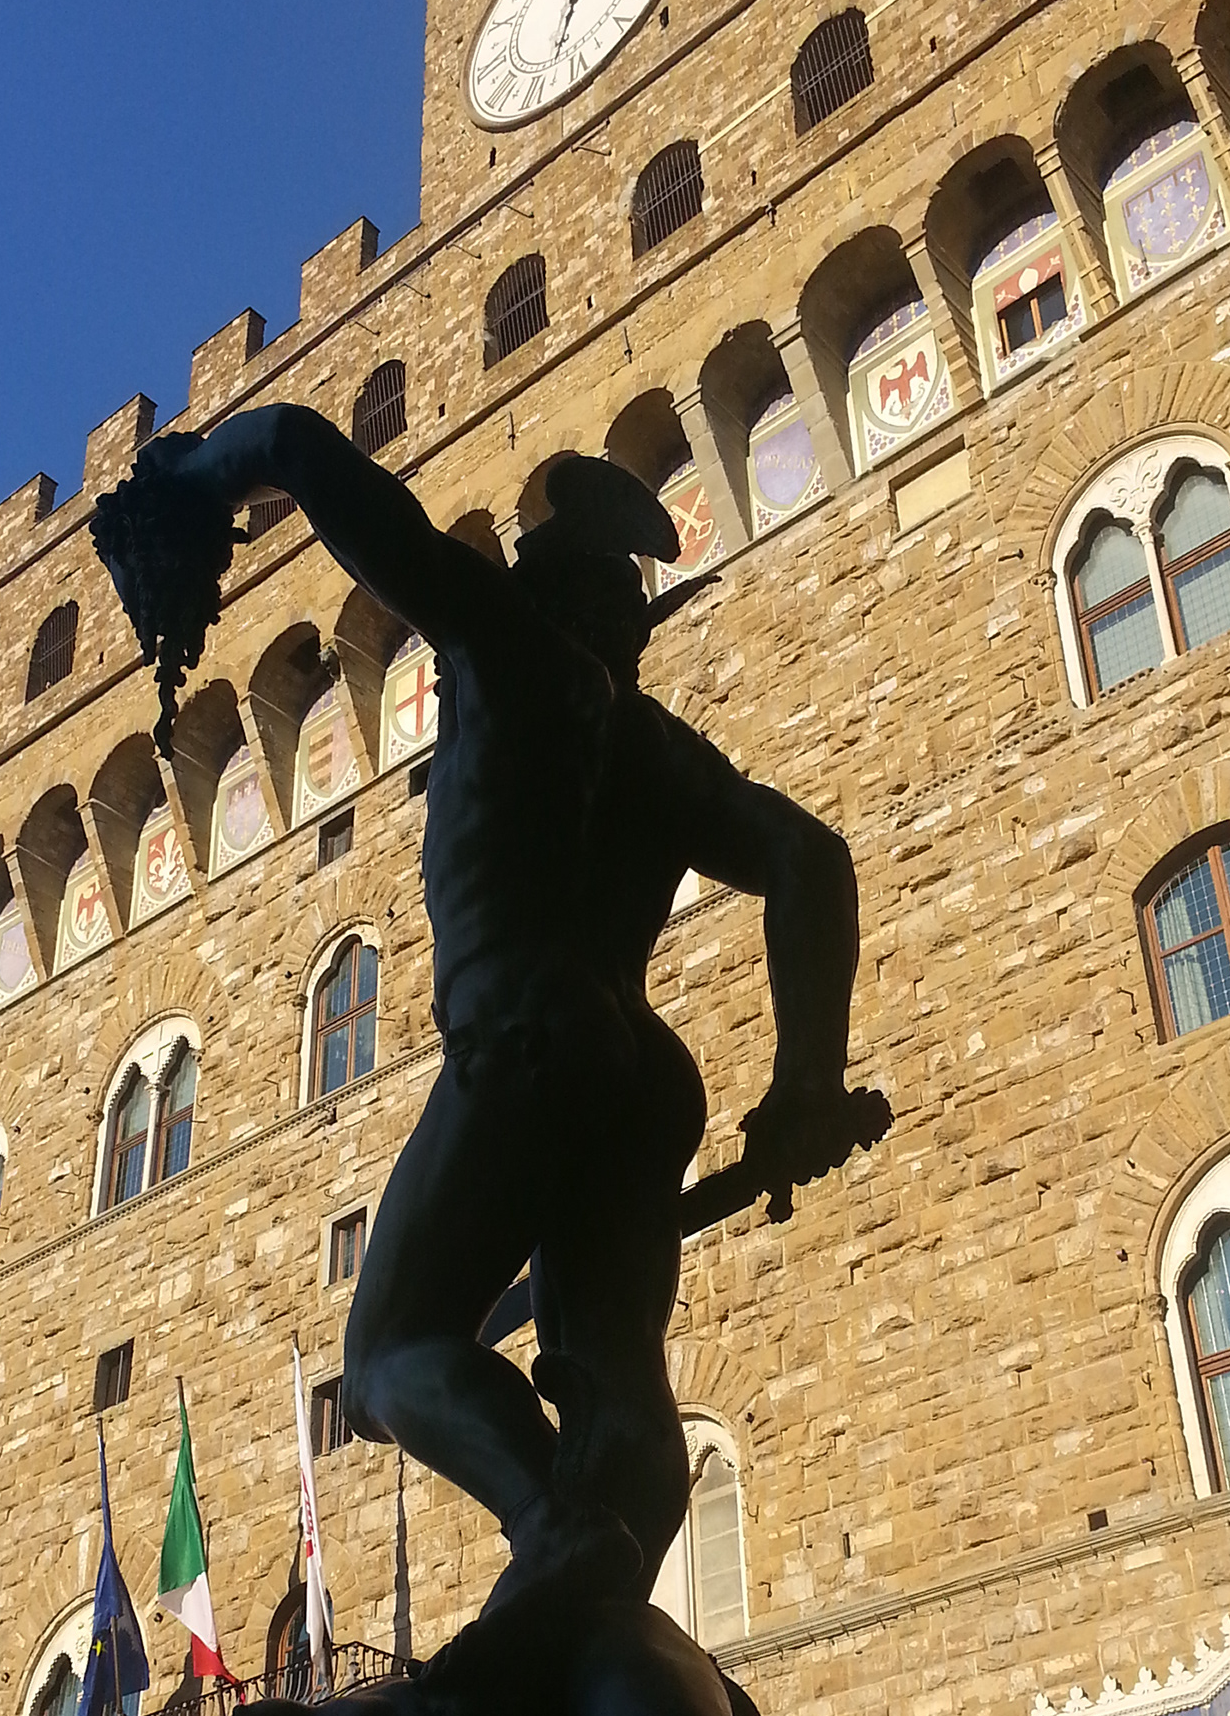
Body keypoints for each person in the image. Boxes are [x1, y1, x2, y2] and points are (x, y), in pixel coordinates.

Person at [93, 412, 886, 1602]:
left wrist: (201, 471)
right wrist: (803, 1080)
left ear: (540, 590)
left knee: (386, 1356)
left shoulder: (503, 650)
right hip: (643, 1079)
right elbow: (809, 859)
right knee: (618, 1382)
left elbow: (318, 461)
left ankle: (554, 1527)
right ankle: (604, 1603)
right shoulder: (656, 747)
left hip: (525, 1041)